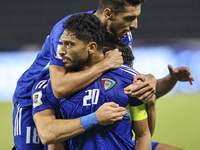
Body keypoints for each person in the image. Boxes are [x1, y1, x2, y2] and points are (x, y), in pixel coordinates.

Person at [12, 0, 194, 149]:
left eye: (136, 17)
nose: (135, 25)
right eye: (129, 17)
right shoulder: (68, 31)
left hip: (80, 94)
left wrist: (151, 82)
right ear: (108, 14)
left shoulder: (122, 34)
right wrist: (104, 64)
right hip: (35, 97)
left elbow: (128, 85)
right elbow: (59, 88)